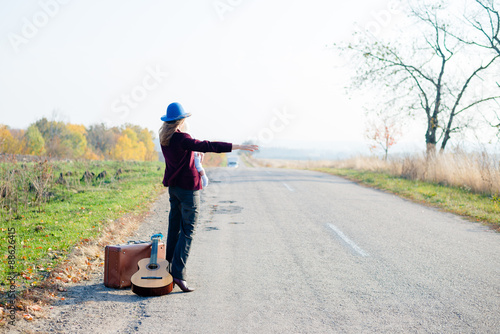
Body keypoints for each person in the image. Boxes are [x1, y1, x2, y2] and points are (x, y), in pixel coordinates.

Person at [159, 102, 258, 292]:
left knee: (174, 229)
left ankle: (167, 271)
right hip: (188, 191)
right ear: (181, 120)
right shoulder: (182, 138)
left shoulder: (165, 138)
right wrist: (238, 146)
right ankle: (178, 274)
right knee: (188, 230)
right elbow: (209, 145)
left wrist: (194, 157)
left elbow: (181, 159)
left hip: (174, 189)